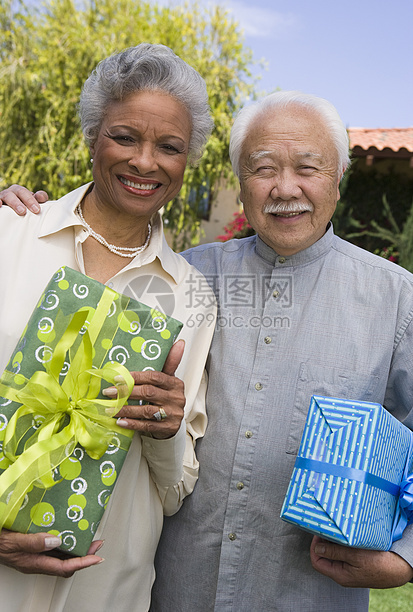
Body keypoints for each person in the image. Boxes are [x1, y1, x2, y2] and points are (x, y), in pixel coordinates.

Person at [3, 91, 413, 611]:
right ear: (240, 183)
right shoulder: (182, 280)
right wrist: (26, 226)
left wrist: (406, 556)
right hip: (174, 591)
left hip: (305, 593)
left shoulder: (397, 299)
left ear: (339, 176)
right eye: (263, 169)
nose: (286, 189)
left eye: (308, 168)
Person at [0, 43, 216, 612]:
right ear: (92, 135)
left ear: (187, 159)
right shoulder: (9, 235)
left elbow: (174, 490)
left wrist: (167, 431)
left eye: (169, 147)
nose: (146, 162)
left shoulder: (191, 295)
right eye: (125, 137)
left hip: (107, 590)